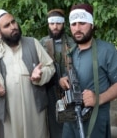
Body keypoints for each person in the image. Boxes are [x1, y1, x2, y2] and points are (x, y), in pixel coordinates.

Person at [0, 9, 55, 138]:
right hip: (9, 111)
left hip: (34, 109)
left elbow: (50, 67)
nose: (13, 27)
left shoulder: (33, 43)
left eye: (13, 22)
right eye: (7, 25)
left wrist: (41, 75)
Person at [59, 4, 117, 138]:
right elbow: (69, 76)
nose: (77, 28)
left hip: (95, 120)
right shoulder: (71, 52)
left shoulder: (107, 50)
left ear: (92, 25)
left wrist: (98, 98)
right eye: (74, 24)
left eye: (82, 23)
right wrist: (63, 80)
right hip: (71, 118)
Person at [39, 8, 75, 138]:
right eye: (52, 23)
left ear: (63, 24)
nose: (55, 27)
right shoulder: (41, 44)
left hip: (70, 90)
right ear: (48, 25)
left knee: (71, 124)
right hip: (49, 91)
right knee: (53, 125)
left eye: (58, 23)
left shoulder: (72, 43)